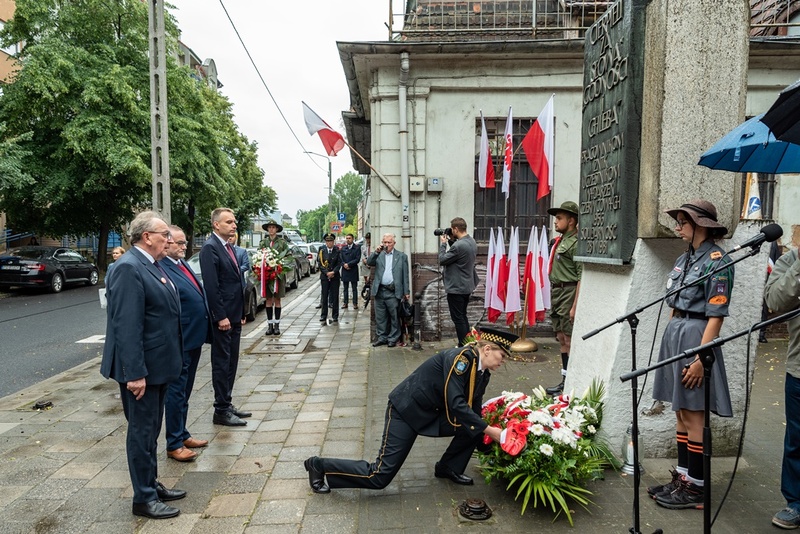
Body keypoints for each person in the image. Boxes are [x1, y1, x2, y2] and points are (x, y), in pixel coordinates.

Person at [304, 326, 518, 493]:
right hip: (405, 412)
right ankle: (318, 465)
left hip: (431, 412)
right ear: (487, 349)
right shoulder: (461, 360)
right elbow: (456, 404)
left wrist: (489, 441)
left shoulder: (482, 371)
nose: (504, 361)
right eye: (503, 355)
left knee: (473, 424)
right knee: (379, 476)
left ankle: (449, 467)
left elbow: (474, 409)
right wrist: (491, 431)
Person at [648, 199, 734, 510]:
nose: (677, 227)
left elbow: (716, 316)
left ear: (701, 225)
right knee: (681, 411)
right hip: (677, 334)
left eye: (683, 222)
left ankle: (697, 486)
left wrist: (700, 357)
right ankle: (683, 478)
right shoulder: (685, 259)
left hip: (697, 336)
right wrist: (669, 340)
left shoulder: (717, 261)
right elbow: (675, 305)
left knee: (695, 413)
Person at [100, 211, 186, 519]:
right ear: (146, 237)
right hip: (142, 370)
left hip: (158, 365)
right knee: (142, 431)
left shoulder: (152, 264)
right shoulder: (128, 267)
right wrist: (134, 373)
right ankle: (144, 499)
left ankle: (150, 483)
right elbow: (127, 325)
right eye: (165, 235)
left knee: (151, 431)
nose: (169, 240)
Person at [161, 226, 212, 463]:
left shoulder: (181, 264)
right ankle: (174, 443)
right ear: (167, 243)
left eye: (185, 242)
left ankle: (182, 433)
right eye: (180, 243)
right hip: (179, 339)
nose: (184, 247)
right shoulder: (163, 267)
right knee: (176, 391)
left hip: (193, 337)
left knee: (186, 390)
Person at [199, 208, 252, 427]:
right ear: (216, 224)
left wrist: (241, 313)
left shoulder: (228, 247)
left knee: (232, 361)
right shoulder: (210, 248)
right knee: (222, 363)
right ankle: (220, 409)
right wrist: (220, 316)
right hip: (223, 319)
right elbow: (212, 286)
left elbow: (235, 282)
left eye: (234, 221)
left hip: (234, 316)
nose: (234, 225)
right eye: (229, 222)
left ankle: (227, 403)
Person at [764, 242, 800, 529]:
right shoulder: (791, 260)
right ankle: (796, 503)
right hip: (799, 369)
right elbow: (775, 301)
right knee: (797, 440)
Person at [545, 200, 582, 395]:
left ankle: (571, 382)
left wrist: (574, 306)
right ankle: (564, 379)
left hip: (568, 292)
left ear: (571, 221)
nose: (555, 221)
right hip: (557, 292)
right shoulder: (559, 241)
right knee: (560, 337)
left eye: (559, 218)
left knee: (568, 338)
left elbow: (580, 276)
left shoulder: (575, 244)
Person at [438, 217, 479, 346]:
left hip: (457, 287)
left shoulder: (458, 245)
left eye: (452, 229)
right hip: (466, 285)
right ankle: (468, 343)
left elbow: (442, 260)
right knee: (462, 316)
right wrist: (451, 241)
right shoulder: (471, 241)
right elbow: (458, 254)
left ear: (455, 229)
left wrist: (443, 244)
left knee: (458, 318)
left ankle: (463, 345)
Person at [368, 233, 410, 348]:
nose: (387, 244)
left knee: (394, 316)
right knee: (380, 317)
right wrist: (376, 252)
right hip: (380, 290)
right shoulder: (379, 255)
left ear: (394, 243)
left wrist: (406, 292)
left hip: (393, 291)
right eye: (385, 242)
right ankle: (382, 337)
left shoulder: (401, 256)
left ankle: (393, 338)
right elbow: (369, 262)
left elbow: (405, 275)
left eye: (389, 242)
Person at [260, 220, 288, 335]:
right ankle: (269, 325)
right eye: (269, 227)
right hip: (267, 275)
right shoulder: (263, 242)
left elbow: (288, 256)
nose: (271, 229)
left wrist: (280, 264)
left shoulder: (282, 243)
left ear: (277, 229)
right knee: (268, 300)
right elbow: (259, 256)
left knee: (277, 300)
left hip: (278, 275)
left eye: (273, 227)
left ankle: (277, 325)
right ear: (267, 229)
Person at [759, 240, 782, 343]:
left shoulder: (772, 242)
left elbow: (777, 261)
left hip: (767, 277)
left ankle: (761, 333)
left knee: (764, 307)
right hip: (754, 277)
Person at [318, 233, 342, 323]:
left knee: (335, 296)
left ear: (333, 242)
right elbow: (320, 264)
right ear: (325, 242)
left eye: (331, 241)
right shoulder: (322, 251)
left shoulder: (337, 250)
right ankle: (323, 315)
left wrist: (333, 272)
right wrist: (327, 273)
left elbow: (339, 263)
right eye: (327, 241)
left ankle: (335, 315)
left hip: (335, 276)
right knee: (324, 296)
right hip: (325, 276)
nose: (329, 243)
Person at [340, 233, 361, 309]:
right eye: (347, 238)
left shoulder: (357, 248)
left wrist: (349, 264)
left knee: (354, 288)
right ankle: (345, 303)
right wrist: (344, 264)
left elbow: (357, 259)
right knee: (345, 288)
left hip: (353, 270)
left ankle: (355, 303)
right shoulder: (343, 248)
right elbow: (340, 258)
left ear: (353, 239)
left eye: (349, 238)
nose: (348, 240)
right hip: (345, 270)